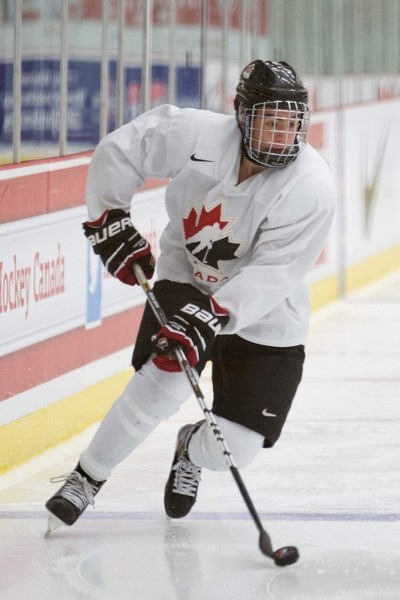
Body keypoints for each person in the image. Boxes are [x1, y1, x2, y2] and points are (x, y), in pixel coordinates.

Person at [45, 59, 335, 528]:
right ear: (242, 114)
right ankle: (86, 478)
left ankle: (189, 448)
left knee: (236, 450)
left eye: (291, 123)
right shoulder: (194, 133)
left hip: (266, 313)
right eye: (271, 121)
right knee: (160, 385)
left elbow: (276, 270)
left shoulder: (312, 186)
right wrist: (109, 216)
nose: (283, 135)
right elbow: (120, 151)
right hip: (187, 276)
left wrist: (216, 314)